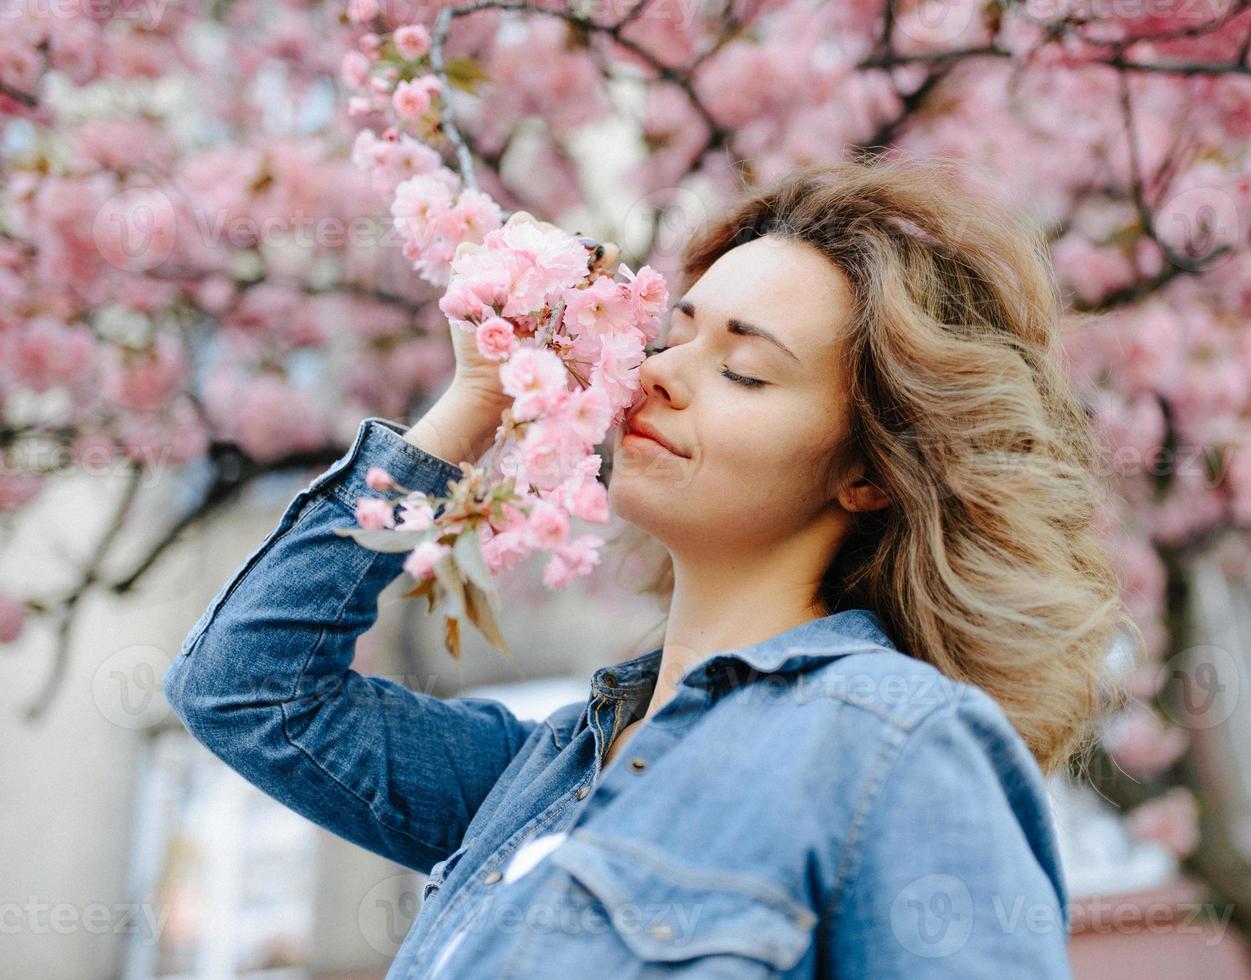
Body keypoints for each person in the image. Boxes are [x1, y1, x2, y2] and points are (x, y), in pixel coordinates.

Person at [164, 154, 1134, 978]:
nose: (661, 371)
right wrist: (473, 401)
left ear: (869, 470)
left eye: (744, 369)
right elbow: (247, 690)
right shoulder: (542, 774)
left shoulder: (895, 750)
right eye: (677, 332)